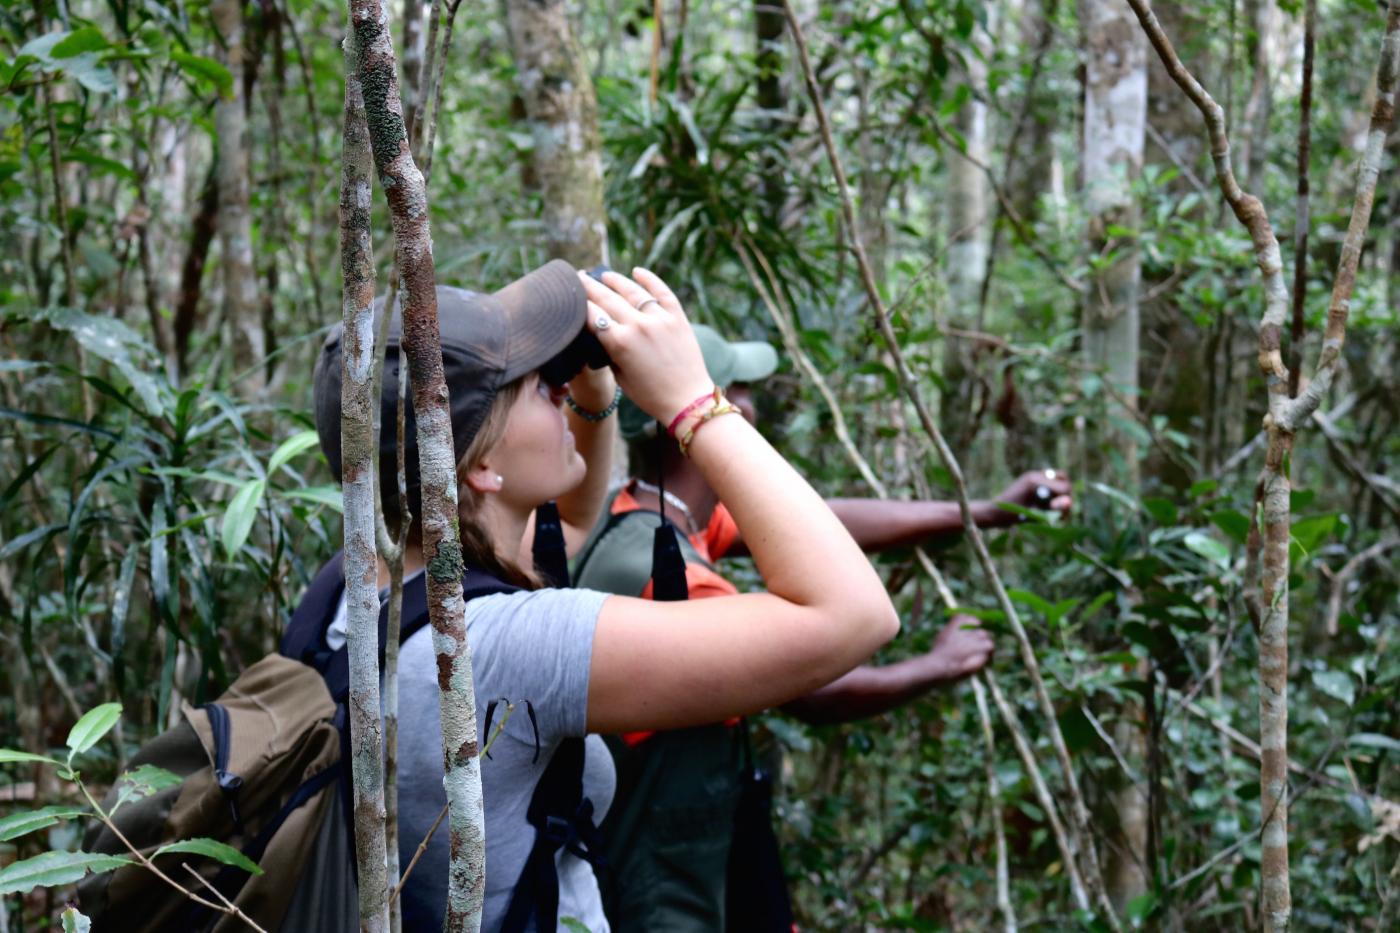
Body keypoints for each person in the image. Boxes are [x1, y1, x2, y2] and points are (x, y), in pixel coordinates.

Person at [303, 260, 900, 932]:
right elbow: (851, 615)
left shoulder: (354, 590)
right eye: (534, 387)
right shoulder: (506, 649)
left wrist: (584, 382)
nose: (555, 390)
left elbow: (576, 524)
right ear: (482, 466)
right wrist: (694, 403)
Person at [572, 324, 1073, 932]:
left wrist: (985, 513)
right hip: (661, 885)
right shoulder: (671, 580)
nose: (748, 404)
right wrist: (937, 665)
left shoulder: (643, 515)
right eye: (734, 391)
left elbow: (822, 523)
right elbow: (812, 690)